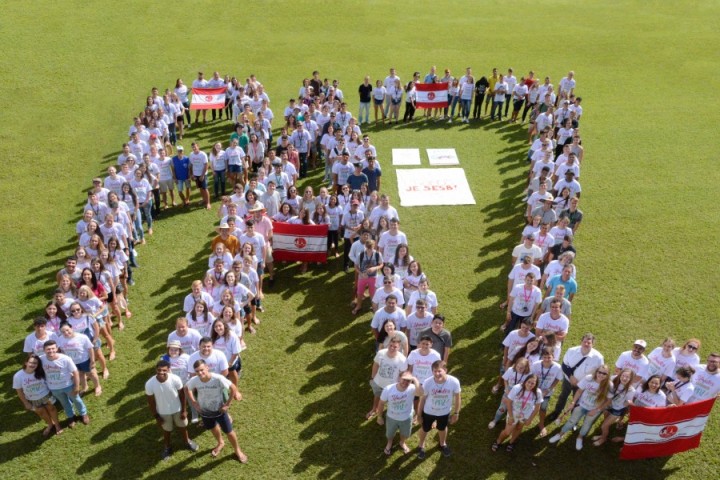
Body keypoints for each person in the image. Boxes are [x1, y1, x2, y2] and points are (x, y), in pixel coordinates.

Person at [185, 360, 247, 463]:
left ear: (207, 368)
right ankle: (220, 443)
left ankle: (238, 451)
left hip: (219, 411)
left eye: (202, 370)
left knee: (229, 432)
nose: (200, 373)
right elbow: (187, 388)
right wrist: (194, 402)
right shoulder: (195, 380)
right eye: (197, 371)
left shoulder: (217, 378)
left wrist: (227, 404)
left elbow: (233, 388)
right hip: (205, 412)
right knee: (213, 428)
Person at [549, 365, 612, 450]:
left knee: (587, 424)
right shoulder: (589, 378)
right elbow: (579, 391)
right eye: (599, 372)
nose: (601, 375)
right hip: (581, 405)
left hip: (594, 410)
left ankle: (579, 437)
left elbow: (608, 400)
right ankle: (560, 434)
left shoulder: (609, 385)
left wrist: (597, 410)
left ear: (607, 375)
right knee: (572, 420)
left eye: (604, 373)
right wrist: (573, 402)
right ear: (596, 371)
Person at [145, 360, 199, 460]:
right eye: (159, 370)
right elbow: (151, 402)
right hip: (163, 412)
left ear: (169, 370)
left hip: (177, 409)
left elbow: (182, 395)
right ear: (155, 369)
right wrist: (157, 416)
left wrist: (183, 410)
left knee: (182, 426)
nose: (161, 372)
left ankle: (187, 441)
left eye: (164, 370)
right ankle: (167, 447)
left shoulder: (175, 379)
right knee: (166, 430)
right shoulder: (150, 384)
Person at [547, 333, 604, 423]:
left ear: (593, 344)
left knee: (577, 401)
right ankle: (557, 412)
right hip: (568, 380)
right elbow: (565, 365)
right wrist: (571, 377)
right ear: (581, 342)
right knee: (563, 396)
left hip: (583, 385)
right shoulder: (571, 351)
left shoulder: (598, 358)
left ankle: (573, 419)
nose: (586, 344)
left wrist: (583, 382)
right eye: (584, 342)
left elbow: (599, 372)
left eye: (589, 343)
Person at [416, 360, 461, 459]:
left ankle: (442, 444)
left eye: (439, 371)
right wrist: (419, 415)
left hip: (444, 412)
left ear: (445, 370)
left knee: (442, 428)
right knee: (425, 428)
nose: (437, 373)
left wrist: (456, 413)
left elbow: (458, 398)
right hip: (428, 412)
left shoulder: (454, 382)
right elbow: (422, 399)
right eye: (434, 371)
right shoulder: (427, 382)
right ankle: (421, 445)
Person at [40, 340, 89, 427]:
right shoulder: (41, 359)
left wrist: (77, 386)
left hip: (68, 385)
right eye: (48, 349)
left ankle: (83, 414)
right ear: (44, 350)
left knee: (76, 400)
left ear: (57, 348)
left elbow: (75, 372)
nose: (51, 351)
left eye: (53, 348)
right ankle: (71, 416)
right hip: (54, 388)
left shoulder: (65, 359)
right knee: (64, 403)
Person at [13, 354, 63, 437]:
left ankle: (57, 425)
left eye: (35, 363)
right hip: (33, 399)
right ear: (26, 362)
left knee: (52, 409)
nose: (33, 365)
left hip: (46, 395)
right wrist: (26, 403)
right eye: (31, 362)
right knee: (41, 412)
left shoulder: (40, 371)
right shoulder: (18, 376)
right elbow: (19, 392)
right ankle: (50, 424)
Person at [491, 374, 542, 452]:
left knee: (518, 428)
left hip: (525, 415)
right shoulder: (517, 388)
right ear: (525, 381)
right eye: (529, 382)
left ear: (536, 384)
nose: (530, 384)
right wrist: (511, 416)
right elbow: (508, 402)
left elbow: (537, 408)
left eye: (533, 383)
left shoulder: (538, 392)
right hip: (513, 413)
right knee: (507, 432)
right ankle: (498, 441)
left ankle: (511, 443)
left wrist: (530, 420)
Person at [376, 373, 421, 455]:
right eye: (404, 379)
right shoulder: (388, 389)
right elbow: (381, 403)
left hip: (407, 417)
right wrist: (379, 417)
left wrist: (414, 379)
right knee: (390, 433)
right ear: (399, 378)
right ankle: (389, 443)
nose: (405, 382)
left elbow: (420, 393)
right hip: (391, 417)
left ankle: (402, 442)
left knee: (405, 433)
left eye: (408, 380)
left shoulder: (412, 388)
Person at [591, 368, 635, 446]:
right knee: (605, 422)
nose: (624, 378)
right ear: (620, 375)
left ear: (630, 379)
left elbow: (626, 403)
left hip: (616, 410)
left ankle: (603, 439)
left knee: (604, 425)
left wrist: (626, 403)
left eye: (627, 377)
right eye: (623, 375)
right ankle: (603, 435)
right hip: (607, 405)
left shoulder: (631, 390)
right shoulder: (613, 379)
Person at [368, 336, 407, 419]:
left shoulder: (402, 360)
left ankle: (390, 414)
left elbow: (402, 374)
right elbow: (376, 365)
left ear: (399, 347)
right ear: (388, 344)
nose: (392, 348)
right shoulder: (381, 353)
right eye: (391, 345)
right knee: (377, 396)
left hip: (392, 386)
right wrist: (373, 377)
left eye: (395, 347)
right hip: (378, 382)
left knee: (392, 401)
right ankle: (374, 409)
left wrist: (399, 386)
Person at [530, 347, 563, 436]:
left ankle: (541, 424)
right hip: (533, 390)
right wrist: (534, 389)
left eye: (549, 357)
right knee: (529, 405)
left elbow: (557, 379)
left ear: (553, 356)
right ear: (541, 357)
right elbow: (530, 377)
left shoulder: (557, 367)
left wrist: (548, 390)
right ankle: (525, 419)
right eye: (545, 357)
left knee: (543, 408)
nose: (547, 359)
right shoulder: (535, 365)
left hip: (546, 393)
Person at [189, 142, 211, 209]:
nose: (194, 148)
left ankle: (208, 203)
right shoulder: (191, 155)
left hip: (203, 174)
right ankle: (204, 199)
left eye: (195, 147)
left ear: (198, 146)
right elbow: (191, 165)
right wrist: (192, 174)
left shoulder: (203, 154)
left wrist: (202, 175)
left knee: (205, 188)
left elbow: (206, 165)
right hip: (196, 174)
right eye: (193, 147)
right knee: (200, 188)